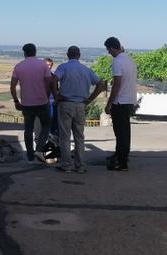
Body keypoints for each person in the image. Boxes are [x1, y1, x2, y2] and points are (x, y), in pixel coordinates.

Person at [52, 46, 106, 173]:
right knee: (79, 136)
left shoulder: (63, 67)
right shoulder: (86, 70)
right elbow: (100, 84)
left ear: (67, 55)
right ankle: (80, 166)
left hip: (65, 104)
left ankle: (66, 165)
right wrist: (90, 99)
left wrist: (56, 96)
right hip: (81, 105)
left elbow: (53, 80)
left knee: (65, 136)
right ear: (79, 55)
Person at [10, 43, 53, 162]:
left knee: (28, 129)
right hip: (42, 102)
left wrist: (16, 101)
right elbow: (49, 83)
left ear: (24, 53)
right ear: (35, 52)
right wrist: (47, 96)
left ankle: (30, 154)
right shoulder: (43, 66)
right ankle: (39, 150)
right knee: (46, 126)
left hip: (26, 104)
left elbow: (12, 86)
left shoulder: (19, 66)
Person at [104, 36, 137, 171]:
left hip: (120, 101)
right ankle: (122, 156)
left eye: (108, 50)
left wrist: (109, 103)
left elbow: (117, 84)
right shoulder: (130, 60)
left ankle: (121, 162)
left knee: (120, 133)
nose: (108, 52)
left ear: (112, 48)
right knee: (125, 132)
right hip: (129, 100)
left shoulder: (117, 62)